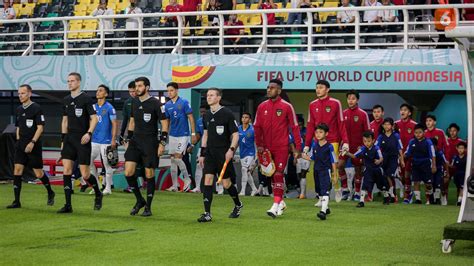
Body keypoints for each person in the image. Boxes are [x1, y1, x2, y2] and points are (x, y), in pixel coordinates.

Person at [254, 79, 301, 218]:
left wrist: (297, 148)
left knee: (278, 174)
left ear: (279, 90)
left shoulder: (287, 106)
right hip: (266, 148)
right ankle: (281, 202)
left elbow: (295, 127)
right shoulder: (262, 106)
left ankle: (275, 206)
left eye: (272, 88)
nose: (268, 89)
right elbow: (257, 128)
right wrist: (260, 145)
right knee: (272, 176)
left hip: (282, 147)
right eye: (268, 87)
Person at [124, 77, 168, 217]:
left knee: (149, 174)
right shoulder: (134, 102)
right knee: (128, 173)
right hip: (135, 142)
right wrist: (128, 139)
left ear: (147, 87)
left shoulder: (155, 103)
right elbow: (131, 122)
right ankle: (139, 200)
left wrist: (162, 143)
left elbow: (165, 123)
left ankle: (148, 207)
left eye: (140, 86)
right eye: (136, 86)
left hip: (150, 142)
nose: (137, 88)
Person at [197, 88, 243, 222]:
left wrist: (231, 150)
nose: (209, 97)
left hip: (223, 153)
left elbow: (235, 135)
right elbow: (205, 134)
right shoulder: (206, 115)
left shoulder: (227, 113)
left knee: (226, 183)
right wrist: (202, 153)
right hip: (210, 153)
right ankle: (207, 213)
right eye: (207, 95)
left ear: (218, 98)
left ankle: (238, 204)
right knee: (208, 181)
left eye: (211, 95)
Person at [6, 84, 55, 209]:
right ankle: (16, 201)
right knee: (17, 171)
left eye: (22, 93)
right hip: (21, 145)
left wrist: (32, 142)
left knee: (38, 174)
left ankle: (50, 192)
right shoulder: (18, 109)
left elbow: (40, 127)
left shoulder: (36, 108)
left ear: (29, 93)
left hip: (33, 145)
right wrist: (18, 140)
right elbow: (18, 127)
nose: (20, 96)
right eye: (19, 94)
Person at [58, 72, 100, 213]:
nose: (70, 83)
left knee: (85, 174)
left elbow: (94, 119)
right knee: (67, 170)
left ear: (79, 82)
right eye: (68, 81)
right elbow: (64, 121)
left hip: (82, 140)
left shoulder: (86, 99)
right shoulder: (65, 100)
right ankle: (68, 205)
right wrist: (63, 140)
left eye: (72, 81)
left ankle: (98, 193)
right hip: (69, 139)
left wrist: (89, 133)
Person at [304, 80, 348, 203]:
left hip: (332, 141)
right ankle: (321, 196)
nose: (318, 90)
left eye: (321, 87)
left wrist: (345, 142)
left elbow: (341, 123)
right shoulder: (312, 104)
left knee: (332, 168)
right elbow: (310, 125)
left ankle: (337, 187)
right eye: (316, 87)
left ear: (327, 89)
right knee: (318, 170)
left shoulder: (335, 103)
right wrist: (307, 145)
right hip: (317, 143)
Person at [164, 82, 195, 192]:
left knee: (177, 157)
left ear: (177, 90)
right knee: (172, 160)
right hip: (172, 135)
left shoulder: (184, 102)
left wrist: (193, 134)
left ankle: (187, 179)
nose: (169, 93)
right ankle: (175, 185)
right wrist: (165, 135)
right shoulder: (167, 105)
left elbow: (191, 118)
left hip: (183, 134)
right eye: (168, 91)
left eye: (171, 90)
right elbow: (167, 121)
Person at [339, 90, 370, 201]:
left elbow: (367, 132)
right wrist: (340, 144)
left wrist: (364, 146)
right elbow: (340, 130)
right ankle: (345, 189)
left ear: (357, 100)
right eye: (349, 98)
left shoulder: (363, 114)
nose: (350, 101)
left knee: (358, 170)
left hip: (358, 147)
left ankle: (357, 192)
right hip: (345, 146)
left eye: (353, 98)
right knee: (340, 165)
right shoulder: (343, 113)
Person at [346, 131, 390, 207]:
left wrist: (378, 161)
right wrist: (346, 153)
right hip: (368, 170)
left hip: (377, 170)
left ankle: (386, 196)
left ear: (373, 140)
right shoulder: (363, 149)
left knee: (381, 186)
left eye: (369, 141)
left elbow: (381, 158)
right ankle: (361, 201)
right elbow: (354, 156)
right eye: (365, 141)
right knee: (364, 185)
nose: (366, 143)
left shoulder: (376, 148)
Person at [304, 123, 337, 220]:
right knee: (319, 190)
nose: (318, 134)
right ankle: (326, 208)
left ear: (326, 134)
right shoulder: (314, 145)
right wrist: (305, 157)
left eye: (321, 132)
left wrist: (334, 174)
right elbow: (313, 158)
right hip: (316, 171)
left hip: (325, 171)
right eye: (317, 132)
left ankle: (322, 212)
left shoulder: (329, 146)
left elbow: (333, 160)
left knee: (325, 190)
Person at [89, 85, 117, 195]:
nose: (97, 92)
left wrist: (113, 139)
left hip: (106, 141)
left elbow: (115, 124)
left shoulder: (109, 107)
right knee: (88, 161)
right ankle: (97, 186)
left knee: (107, 164)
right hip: (94, 140)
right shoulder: (93, 107)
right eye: (97, 90)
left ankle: (108, 188)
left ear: (106, 94)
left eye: (100, 91)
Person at [404, 124, 436, 205]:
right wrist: (403, 156)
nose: (418, 134)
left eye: (420, 132)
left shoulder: (428, 142)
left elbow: (433, 154)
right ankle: (418, 199)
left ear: (424, 132)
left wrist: (434, 165)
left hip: (426, 164)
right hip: (415, 164)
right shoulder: (412, 142)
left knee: (428, 183)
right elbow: (407, 153)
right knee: (416, 182)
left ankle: (430, 197)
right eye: (416, 132)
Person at [375, 117, 404, 203]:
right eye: (385, 124)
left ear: (392, 126)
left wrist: (402, 160)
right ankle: (391, 195)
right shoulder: (380, 136)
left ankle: (393, 194)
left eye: (388, 124)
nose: (386, 126)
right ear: (383, 126)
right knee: (385, 176)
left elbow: (400, 148)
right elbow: (376, 147)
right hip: (384, 158)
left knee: (389, 175)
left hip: (393, 158)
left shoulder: (396, 136)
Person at [395, 103, 417, 204]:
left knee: (407, 175)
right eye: (401, 110)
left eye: (405, 110)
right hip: (398, 156)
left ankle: (407, 196)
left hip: (409, 156)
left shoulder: (414, 125)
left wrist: (407, 154)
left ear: (409, 113)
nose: (402, 112)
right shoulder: (395, 124)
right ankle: (408, 191)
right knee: (402, 177)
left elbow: (416, 141)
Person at [444, 123, 464, 205]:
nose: (452, 132)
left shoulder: (461, 142)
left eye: (454, 131)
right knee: (445, 183)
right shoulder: (446, 141)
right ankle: (444, 201)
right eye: (451, 131)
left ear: (457, 131)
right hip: (447, 166)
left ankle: (458, 202)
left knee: (459, 186)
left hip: (457, 167)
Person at [238, 112, 258, 196]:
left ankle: (242, 191)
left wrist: (256, 156)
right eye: (243, 117)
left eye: (246, 117)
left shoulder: (253, 130)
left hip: (250, 153)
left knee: (244, 169)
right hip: (242, 153)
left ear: (250, 120)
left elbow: (256, 143)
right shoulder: (238, 128)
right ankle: (254, 189)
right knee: (247, 172)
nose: (244, 119)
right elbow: (236, 141)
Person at [190, 105, 206, 193]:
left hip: (214, 147)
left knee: (216, 168)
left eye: (204, 112)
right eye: (201, 112)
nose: (202, 113)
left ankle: (220, 190)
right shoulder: (199, 121)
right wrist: (192, 145)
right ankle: (197, 187)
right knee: (198, 166)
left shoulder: (213, 119)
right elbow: (199, 135)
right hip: (202, 147)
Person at [430, 138, 449, 205]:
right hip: (431, 171)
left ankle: (438, 199)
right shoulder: (428, 152)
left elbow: (445, 163)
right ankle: (432, 199)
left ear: (436, 146)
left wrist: (447, 173)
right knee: (432, 184)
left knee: (438, 184)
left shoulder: (440, 153)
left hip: (439, 171)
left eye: (433, 146)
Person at [451, 141, 467, 206]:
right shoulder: (455, 157)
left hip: (464, 175)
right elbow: (452, 165)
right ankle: (459, 199)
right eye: (459, 148)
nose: (460, 150)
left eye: (462, 148)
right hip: (457, 175)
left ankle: (459, 202)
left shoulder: (467, 157)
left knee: (462, 188)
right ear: (457, 148)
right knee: (458, 188)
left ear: (465, 149)